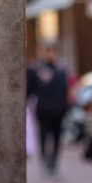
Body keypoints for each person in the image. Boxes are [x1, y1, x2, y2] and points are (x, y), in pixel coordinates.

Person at [27, 40, 71, 175]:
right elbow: (31, 88)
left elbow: (65, 89)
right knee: (44, 135)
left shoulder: (61, 70)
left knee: (57, 136)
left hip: (59, 109)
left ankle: (54, 162)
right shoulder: (37, 70)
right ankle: (45, 160)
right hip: (43, 109)